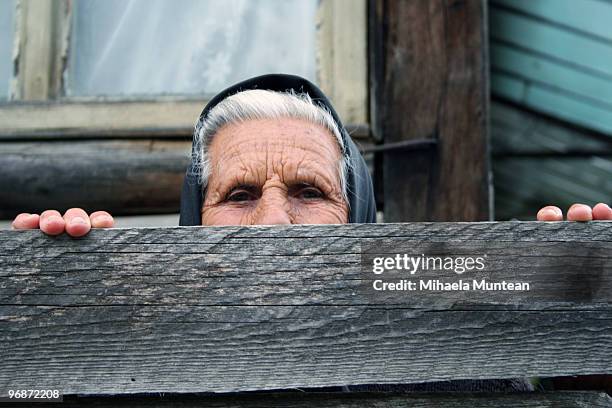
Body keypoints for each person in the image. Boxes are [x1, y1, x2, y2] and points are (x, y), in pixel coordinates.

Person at [7, 74, 611, 392]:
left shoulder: (446, 357)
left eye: (309, 192)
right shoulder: (127, 361)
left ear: (358, 215)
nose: (273, 224)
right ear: (195, 220)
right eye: (239, 195)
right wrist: (45, 321)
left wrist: (577, 333)